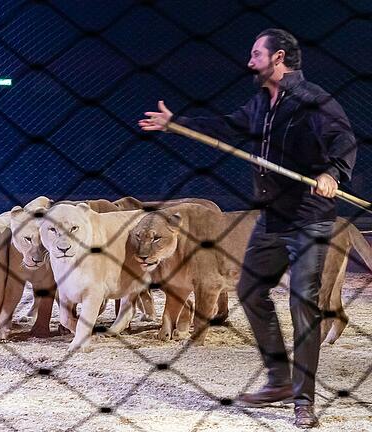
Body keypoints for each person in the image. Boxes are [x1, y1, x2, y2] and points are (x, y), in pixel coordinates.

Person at [138, 28, 357, 429]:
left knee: (301, 303)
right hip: (272, 216)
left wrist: (332, 173)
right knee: (250, 291)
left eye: (257, 53)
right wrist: (177, 123)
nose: (249, 60)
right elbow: (228, 125)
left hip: (310, 216)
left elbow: (343, 140)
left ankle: (302, 399)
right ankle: (278, 379)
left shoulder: (313, 100)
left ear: (279, 58)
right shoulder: (262, 103)